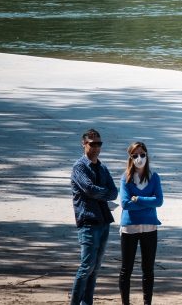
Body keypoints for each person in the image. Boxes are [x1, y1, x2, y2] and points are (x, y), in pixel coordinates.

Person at [70, 128, 119, 305]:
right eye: (93, 144)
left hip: (104, 221)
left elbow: (114, 192)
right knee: (86, 267)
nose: (96, 147)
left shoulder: (103, 168)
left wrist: (101, 193)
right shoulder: (79, 167)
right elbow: (89, 189)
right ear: (84, 144)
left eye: (99, 144)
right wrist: (103, 192)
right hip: (88, 222)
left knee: (95, 268)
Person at [118, 141, 163, 305]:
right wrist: (147, 203)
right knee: (126, 269)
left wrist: (138, 199)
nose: (139, 158)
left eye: (142, 155)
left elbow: (159, 201)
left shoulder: (154, 176)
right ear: (130, 157)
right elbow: (125, 204)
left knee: (148, 269)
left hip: (150, 227)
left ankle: (147, 303)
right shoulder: (125, 178)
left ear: (147, 155)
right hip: (129, 228)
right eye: (135, 155)